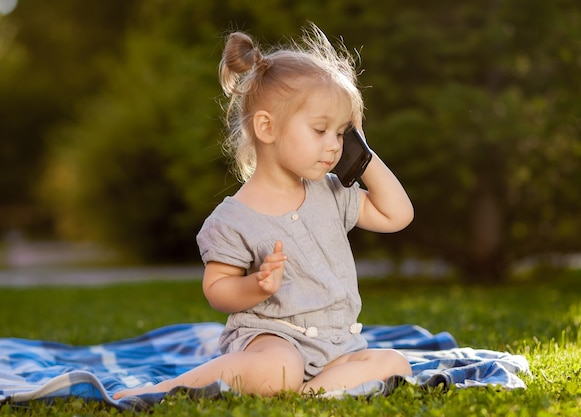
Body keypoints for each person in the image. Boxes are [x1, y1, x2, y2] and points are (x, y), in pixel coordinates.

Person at [114, 23, 414, 399]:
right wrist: (255, 286)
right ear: (267, 128)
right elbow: (217, 290)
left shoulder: (332, 193)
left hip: (338, 346)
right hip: (271, 340)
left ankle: (310, 394)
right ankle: (165, 388)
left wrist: (363, 158)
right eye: (321, 130)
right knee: (279, 368)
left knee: (395, 363)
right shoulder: (232, 219)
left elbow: (397, 215)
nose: (335, 145)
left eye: (342, 133)